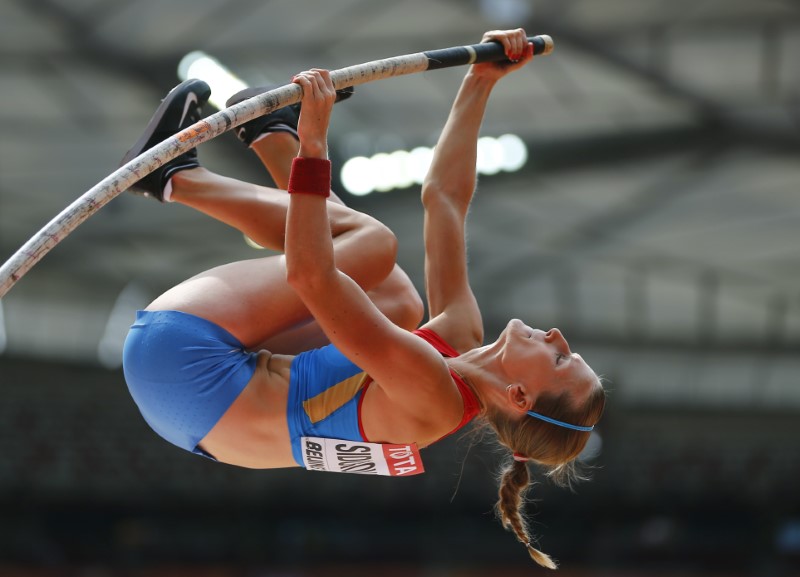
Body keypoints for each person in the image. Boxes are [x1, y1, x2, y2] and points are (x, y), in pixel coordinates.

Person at [121, 29, 605, 569]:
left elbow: (311, 276)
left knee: (373, 246)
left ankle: (175, 177)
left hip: (183, 367)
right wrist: (479, 82)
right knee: (397, 298)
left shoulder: (431, 394)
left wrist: (315, 145)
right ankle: (267, 136)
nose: (559, 337)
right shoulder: (459, 339)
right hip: (197, 405)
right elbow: (443, 199)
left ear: (518, 395)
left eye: (560, 359)